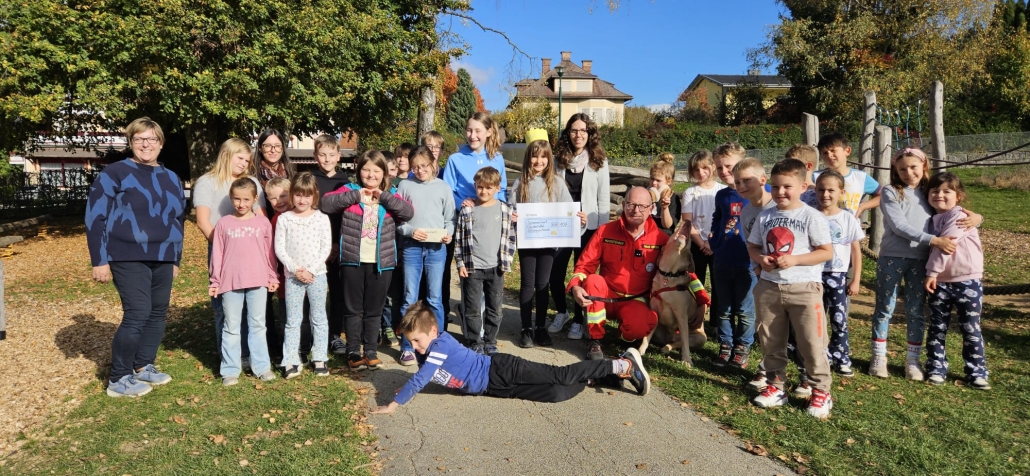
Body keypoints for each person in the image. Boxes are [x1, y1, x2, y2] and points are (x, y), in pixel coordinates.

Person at [369, 302, 651, 414]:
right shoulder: (427, 351)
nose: (414, 346)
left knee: (560, 375)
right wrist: (410, 388)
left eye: (417, 340)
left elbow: (421, 377)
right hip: (494, 387)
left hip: (501, 369)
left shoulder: (440, 343)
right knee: (555, 393)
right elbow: (427, 375)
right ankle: (598, 376)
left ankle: (622, 363)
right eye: (410, 342)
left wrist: (395, 403)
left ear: (433, 331)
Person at [86, 117, 185, 397]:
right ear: (130, 142)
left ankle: (143, 365)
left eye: (152, 139)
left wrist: (175, 258)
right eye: (139, 139)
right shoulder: (115, 173)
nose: (146, 144)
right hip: (127, 254)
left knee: (157, 312)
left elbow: (178, 219)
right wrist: (99, 260)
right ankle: (119, 378)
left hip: (163, 255)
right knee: (138, 312)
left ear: (161, 143)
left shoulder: (172, 178)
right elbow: (95, 216)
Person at [869, 148, 981, 379]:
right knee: (885, 307)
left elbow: (956, 209)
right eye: (902, 169)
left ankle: (913, 360)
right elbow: (899, 225)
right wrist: (934, 240)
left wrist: (978, 217)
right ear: (895, 170)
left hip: (921, 259)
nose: (908, 172)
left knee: (915, 309)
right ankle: (879, 357)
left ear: (924, 167)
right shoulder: (891, 191)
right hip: (892, 256)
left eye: (913, 167)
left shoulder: (930, 191)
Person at [746, 158, 834, 418]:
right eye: (775, 187)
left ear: (803, 187)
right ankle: (776, 386)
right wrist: (761, 259)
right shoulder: (765, 216)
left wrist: (795, 259)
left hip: (804, 289)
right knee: (771, 340)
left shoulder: (812, 216)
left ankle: (821, 391)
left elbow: (825, 252)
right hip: (769, 288)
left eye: (787, 186)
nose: (780, 192)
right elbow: (753, 246)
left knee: (812, 343)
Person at [321, 150, 414, 371]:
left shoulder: (391, 194)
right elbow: (326, 204)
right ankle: (354, 351)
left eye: (376, 170)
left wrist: (383, 197)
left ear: (384, 173)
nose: (371, 175)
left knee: (374, 309)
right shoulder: (350, 190)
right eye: (366, 169)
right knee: (353, 309)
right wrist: (356, 196)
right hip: (352, 260)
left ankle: (370, 351)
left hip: (381, 263)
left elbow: (407, 212)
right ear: (358, 170)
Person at [566, 187, 669, 361]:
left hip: (636, 299)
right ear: (623, 205)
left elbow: (674, 272)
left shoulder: (661, 240)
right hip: (606, 296)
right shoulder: (605, 231)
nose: (636, 210)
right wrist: (575, 286)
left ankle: (625, 333)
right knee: (593, 280)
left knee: (638, 326)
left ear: (651, 208)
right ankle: (595, 339)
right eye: (631, 204)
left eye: (642, 206)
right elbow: (585, 265)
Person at [509, 132, 584, 348]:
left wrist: (579, 220)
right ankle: (526, 328)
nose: (539, 161)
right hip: (527, 242)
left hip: (549, 244)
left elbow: (568, 213)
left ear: (549, 158)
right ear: (528, 158)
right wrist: (512, 217)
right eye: (534, 156)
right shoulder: (521, 183)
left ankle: (540, 327)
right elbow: (511, 208)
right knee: (527, 283)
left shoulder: (557, 183)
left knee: (542, 284)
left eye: (543, 157)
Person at [194, 138, 266, 362]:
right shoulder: (207, 182)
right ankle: (229, 355)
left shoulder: (252, 183)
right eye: (240, 158)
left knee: (251, 306)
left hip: (252, 252)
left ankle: (249, 353)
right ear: (227, 155)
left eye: (247, 160)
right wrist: (223, 247)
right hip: (223, 251)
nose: (244, 163)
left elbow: (262, 218)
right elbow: (203, 221)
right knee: (224, 307)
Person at [209, 178, 279, 386]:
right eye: (237, 199)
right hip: (230, 282)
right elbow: (217, 254)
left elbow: (269, 253)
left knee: (258, 324)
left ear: (255, 199)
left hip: (258, 281)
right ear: (231, 198)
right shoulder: (224, 223)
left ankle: (262, 367)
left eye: (246, 199)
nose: (241, 204)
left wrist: (272, 276)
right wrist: (215, 281)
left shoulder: (262, 223)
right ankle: (230, 369)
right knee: (231, 326)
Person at [923, 172, 990, 389]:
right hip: (941, 282)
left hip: (966, 280)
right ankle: (936, 368)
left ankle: (977, 372)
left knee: (970, 328)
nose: (939, 195)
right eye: (935, 191)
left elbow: (947, 244)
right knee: (937, 326)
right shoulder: (931, 219)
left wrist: (932, 272)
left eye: (946, 192)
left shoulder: (959, 216)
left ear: (958, 196)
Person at [548, 113, 611, 340]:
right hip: (562, 226)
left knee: (581, 275)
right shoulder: (558, 160)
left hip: (589, 228)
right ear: (568, 133)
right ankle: (562, 312)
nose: (579, 135)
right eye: (574, 130)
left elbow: (603, 199)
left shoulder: (599, 162)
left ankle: (577, 320)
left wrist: (602, 232)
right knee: (554, 273)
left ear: (589, 134)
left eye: (583, 130)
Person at [442, 113, 507, 326]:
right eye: (469, 130)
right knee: (470, 276)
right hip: (467, 224)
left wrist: (504, 212)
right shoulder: (455, 159)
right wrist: (461, 202)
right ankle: (471, 321)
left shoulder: (497, 159)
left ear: (488, 132)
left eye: (478, 131)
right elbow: (448, 191)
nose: (472, 135)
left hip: (490, 224)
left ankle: (483, 325)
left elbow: (502, 190)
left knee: (490, 275)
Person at [396, 146, 455, 364]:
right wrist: (411, 231)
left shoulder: (443, 187)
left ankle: (439, 344)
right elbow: (399, 220)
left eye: (424, 166)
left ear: (432, 164)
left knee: (435, 298)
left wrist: (448, 234)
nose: (420, 171)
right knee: (409, 297)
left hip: (436, 249)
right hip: (412, 246)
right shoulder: (405, 186)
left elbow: (450, 219)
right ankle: (407, 346)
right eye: (415, 167)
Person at [274, 172, 332, 379]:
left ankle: (320, 357)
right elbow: (280, 248)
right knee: (293, 320)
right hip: (293, 277)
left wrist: (311, 270)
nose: (302, 200)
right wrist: (295, 269)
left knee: (319, 318)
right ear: (292, 195)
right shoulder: (285, 219)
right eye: (298, 195)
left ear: (314, 195)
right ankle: (291, 359)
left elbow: (325, 248)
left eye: (307, 195)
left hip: (317, 276)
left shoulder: (321, 219)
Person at [454, 167, 517, 355]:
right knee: (472, 308)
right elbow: (459, 239)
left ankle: (490, 340)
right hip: (473, 268)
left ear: (497, 188)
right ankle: (475, 341)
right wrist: (460, 263)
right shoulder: (468, 209)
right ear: (475, 186)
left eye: (489, 188)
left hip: (496, 268)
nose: (484, 191)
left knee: (495, 308)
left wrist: (506, 262)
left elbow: (511, 238)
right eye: (480, 187)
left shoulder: (505, 209)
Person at [708, 143, 758, 369]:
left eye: (729, 166)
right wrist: (714, 239)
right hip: (722, 259)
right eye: (719, 167)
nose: (724, 171)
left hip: (747, 262)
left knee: (745, 310)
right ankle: (725, 345)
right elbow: (717, 218)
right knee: (724, 308)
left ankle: (742, 347)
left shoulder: (757, 192)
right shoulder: (721, 195)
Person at [813, 171, 864, 377]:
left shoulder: (848, 218)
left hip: (838, 275)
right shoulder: (810, 215)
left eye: (831, 190)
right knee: (816, 320)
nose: (825, 194)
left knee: (838, 319)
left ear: (841, 192)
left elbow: (856, 251)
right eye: (821, 190)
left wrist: (856, 279)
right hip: (813, 274)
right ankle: (819, 356)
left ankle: (841, 358)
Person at [733, 158, 776, 390]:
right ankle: (766, 368)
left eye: (746, 180)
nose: (741, 186)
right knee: (766, 324)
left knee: (795, 329)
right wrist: (758, 269)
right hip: (763, 276)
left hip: (791, 276)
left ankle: (806, 375)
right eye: (737, 182)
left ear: (762, 179)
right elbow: (750, 244)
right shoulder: (746, 212)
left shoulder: (778, 206)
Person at [310, 134, 351, 356]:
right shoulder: (310, 180)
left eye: (331, 155)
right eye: (322, 154)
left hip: (338, 246)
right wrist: (321, 246)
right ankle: (312, 335)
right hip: (313, 246)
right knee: (313, 294)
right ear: (315, 156)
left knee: (337, 293)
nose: (327, 159)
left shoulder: (345, 182)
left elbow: (347, 216)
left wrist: (335, 243)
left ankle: (335, 334)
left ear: (338, 156)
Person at [681, 149, 726, 294]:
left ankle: (716, 310)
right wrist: (702, 244)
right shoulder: (690, 193)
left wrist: (712, 242)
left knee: (718, 284)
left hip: (718, 243)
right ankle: (697, 308)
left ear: (713, 166)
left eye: (705, 167)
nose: (701, 172)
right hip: (697, 244)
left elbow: (725, 220)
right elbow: (687, 222)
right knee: (696, 283)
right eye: (696, 169)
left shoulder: (722, 191)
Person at [813, 133, 881, 216]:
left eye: (833, 150)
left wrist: (862, 206)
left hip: (850, 223)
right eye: (825, 153)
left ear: (847, 151)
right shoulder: (815, 177)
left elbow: (884, 195)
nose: (829, 155)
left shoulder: (860, 177)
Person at [648, 153, 681, 235]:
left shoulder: (673, 199)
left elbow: (667, 225)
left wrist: (665, 208)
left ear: (669, 181)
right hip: (646, 235)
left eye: (658, 180)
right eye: (652, 179)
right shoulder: (645, 194)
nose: (654, 183)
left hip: (663, 236)